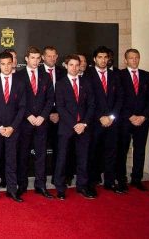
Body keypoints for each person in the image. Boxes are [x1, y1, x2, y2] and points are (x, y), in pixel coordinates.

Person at [53, 54, 96, 200]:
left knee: (83, 158)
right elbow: (60, 107)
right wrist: (74, 124)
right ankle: (60, 188)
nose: (74, 68)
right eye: (71, 65)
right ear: (66, 66)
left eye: (77, 65)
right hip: (66, 127)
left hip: (84, 127)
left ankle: (82, 186)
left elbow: (91, 105)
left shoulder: (87, 82)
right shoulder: (60, 83)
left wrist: (83, 124)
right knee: (62, 158)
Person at [15, 46, 55, 199]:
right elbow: (17, 100)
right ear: (26, 58)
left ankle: (41, 185)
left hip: (41, 122)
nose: (36, 61)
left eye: (38, 58)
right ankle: (22, 185)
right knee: (23, 155)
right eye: (33, 58)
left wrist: (43, 116)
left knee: (41, 156)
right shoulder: (18, 76)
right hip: (24, 122)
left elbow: (50, 99)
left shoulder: (46, 76)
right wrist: (29, 116)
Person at [0, 51, 26, 203]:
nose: (6, 67)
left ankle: (12, 190)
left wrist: (12, 127)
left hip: (13, 130)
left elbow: (22, 108)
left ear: (13, 63)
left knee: (11, 161)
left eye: (9, 63)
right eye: (3, 64)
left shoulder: (20, 83)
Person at [85, 46, 123, 195]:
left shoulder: (115, 76)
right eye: (100, 57)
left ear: (109, 59)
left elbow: (120, 98)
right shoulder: (87, 75)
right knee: (93, 153)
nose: (103, 60)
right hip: (95, 122)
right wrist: (100, 117)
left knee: (111, 152)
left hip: (112, 122)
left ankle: (109, 182)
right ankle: (92, 182)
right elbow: (88, 100)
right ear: (94, 59)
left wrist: (111, 117)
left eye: (105, 57)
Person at [117, 49, 149, 191]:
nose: (134, 60)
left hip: (142, 121)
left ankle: (136, 179)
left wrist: (143, 116)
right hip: (125, 120)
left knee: (140, 150)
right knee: (122, 150)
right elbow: (119, 99)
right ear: (125, 60)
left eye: (137, 57)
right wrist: (130, 116)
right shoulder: (119, 75)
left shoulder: (146, 76)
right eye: (131, 58)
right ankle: (121, 179)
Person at [39, 46, 67, 185]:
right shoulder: (36, 72)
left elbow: (69, 96)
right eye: (48, 56)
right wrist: (48, 114)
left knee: (60, 149)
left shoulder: (63, 72)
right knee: (41, 151)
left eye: (54, 56)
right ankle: (41, 180)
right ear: (43, 57)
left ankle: (58, 178)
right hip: (42, 116)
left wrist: (58, 113)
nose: (52, 58)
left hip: (61, 116)